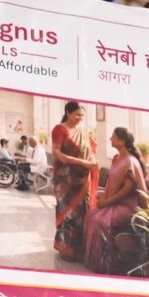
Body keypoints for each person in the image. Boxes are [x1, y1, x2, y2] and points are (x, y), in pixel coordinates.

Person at [84, 126, 149, 274]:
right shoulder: (117, 158)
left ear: (122, 141)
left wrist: (107, 202)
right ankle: (99, 261)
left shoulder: (130, 161)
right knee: (91, 215)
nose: (110, 139)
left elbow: (129, 187)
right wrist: (103, 196)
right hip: (116, 202)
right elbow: (111, 183)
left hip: (128, 206)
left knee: (100, 221)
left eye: (113, 137)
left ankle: (109, 264)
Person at [49, 101, 97, 261]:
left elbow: (90, 150)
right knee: (67, 212)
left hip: (82, 179)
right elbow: (57, 154)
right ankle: (66, 249)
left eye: (82, 115)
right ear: (68, 113)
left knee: (82, 213)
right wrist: (82, 162)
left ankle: (80, 250)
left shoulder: (82, 131)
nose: (80, 118)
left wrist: (90, 160)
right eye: (77, 114)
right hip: (65, 180)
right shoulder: (59, 129)